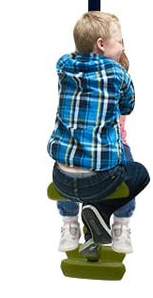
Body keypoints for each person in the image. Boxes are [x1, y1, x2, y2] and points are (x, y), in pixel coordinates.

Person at [47, 12, 151, 259]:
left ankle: (74, 228)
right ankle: (104, 214)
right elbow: (127, 106)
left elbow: (75, 55)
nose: (123, 46)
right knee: (138, 173)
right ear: (102, 44)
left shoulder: (63, 65)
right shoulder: (118, 74)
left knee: (71, 161)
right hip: (100, 178)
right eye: (120, 41)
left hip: (61, 178)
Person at [54, 42, 137, 253]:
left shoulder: (118, 86)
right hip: (82, 141)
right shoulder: (82, 84)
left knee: (129, 173)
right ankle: (70, 223)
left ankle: (121, 225)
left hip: (113, 145)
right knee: (66, 164)